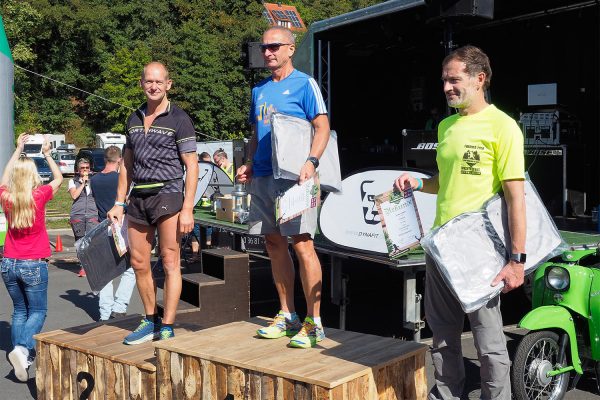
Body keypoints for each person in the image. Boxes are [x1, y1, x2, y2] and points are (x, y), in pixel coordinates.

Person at [395, 45, 526, 400]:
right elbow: (445, 180)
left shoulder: (503, 127)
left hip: (479, 249)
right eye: (444, 80)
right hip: (440, 245)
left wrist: (517, 261)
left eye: (455, 79)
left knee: (488, 339)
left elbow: (516, 196)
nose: (447, 87)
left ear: (479, 78)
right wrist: (419, 182)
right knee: (441, 335)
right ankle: (447, 395)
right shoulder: (447, 126)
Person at [236, 26, 330, 349]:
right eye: (264, 47)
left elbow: (323, 127)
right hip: (262, 177)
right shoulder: (259, 90)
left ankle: (314, 322)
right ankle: (288, 315)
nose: (268, 52)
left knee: (302, 244)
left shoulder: (305, 84)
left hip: (296, 178)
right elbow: (255, 132)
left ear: (290, 49)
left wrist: (311, 162)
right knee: (274, 244)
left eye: (275, 46)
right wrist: (249, 161)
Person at [107, 61, 199, 345]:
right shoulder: (133, 119)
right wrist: (118, 203)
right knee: (138, 261)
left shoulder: (179, 118)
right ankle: (149, 319)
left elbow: (192, 166)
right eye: (149, 81)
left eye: (159, 82)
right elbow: (127, 166)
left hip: (169, 194)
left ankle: (168, 323)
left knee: (170, 261)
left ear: (168, 84)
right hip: (138, 197)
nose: (154, 86)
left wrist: (187, 208)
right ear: (142, 83)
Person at [0, 134, 63, 382]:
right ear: (33, 176)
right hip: (33, 262)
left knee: (19, 311)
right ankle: (23, 349)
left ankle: (21, 356)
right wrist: (47, 153)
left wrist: (17, 150)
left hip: (9, 262)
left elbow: (3, 179)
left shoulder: (7, 197)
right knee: (37, 310)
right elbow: (59, 178)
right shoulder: (39, 196)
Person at [90, 146, 136, 321]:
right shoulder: (121, 179)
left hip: (103, 227)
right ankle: (120, 306)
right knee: (130, 268)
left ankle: (105, 312)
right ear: (120, 160)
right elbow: (127, 200)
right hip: (121, 227)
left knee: (105, 272)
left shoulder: (94, 180)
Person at [69, 158, 99, 277]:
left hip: (92, 213)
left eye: (87, 168)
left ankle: (91, 265)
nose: (85, 170)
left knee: (91, 240)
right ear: (78, 170)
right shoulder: (73, 181)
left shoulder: (95, 181)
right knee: (80, 241)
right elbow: (74, 195)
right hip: (78, 214)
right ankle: (83, 266)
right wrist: (83, 183)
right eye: (82, 168)